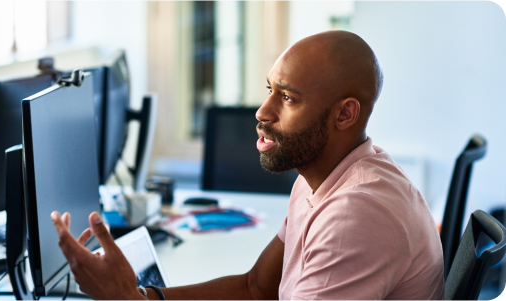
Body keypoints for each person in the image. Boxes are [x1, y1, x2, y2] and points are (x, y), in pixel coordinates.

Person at [51, 30, 444, 300]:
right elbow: (256, 289)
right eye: (269, 89)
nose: (262, 111)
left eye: (287, 98)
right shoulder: (323, 178)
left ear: (345, 115)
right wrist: (144, 297)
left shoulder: (356, 214)